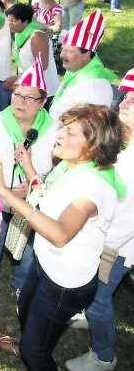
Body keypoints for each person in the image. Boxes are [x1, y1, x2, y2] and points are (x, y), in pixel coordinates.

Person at [0, 104, 124, 370]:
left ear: (93, 145)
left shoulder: (92, 186)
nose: (59, 136)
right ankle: (26, 343)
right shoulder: (72, 167)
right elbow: (47, 197)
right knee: (24, 309)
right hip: (44, 263)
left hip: (64, 283)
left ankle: (30, 350)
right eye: (62, 129)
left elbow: (60, 235)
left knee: (37, 354)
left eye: (70, 133)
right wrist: (29, 167)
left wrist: (2, 189)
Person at [0, 57, 57, 309]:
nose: (20, 101)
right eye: (17, 94)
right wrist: (0, 188)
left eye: (30, 98)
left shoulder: (53, 131)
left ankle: (20, 284)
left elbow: (57, 173)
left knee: (29, 253)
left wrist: (34, 186)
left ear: (42, 103)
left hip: (32, 207)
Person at [65, 68, 134, 371]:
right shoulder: (124, 138)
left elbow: (127, 216)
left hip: (117, 245)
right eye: (128, 95)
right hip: (103, 235)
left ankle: (104, 355)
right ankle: (85, 313)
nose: (127, 100)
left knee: (99, 297)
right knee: (90, 289)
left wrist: (104, 246)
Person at [49, 10, 115, 126]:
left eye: (69, 51)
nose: (62, 55)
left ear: (87, 54)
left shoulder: (94, 89)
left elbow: (86, 129)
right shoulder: (76, 69)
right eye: (63, 49)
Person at [6, 3, 59, 107]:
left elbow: (42, 66)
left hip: (44, 92)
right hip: (28, 88)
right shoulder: (20, 34)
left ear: (25, 21)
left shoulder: (37, 36)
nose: (9, 23)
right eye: (9, 20)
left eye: (13, 21)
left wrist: (18, 78)